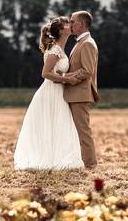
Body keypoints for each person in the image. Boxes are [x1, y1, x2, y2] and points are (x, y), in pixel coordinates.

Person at [13, 17, 85, 170]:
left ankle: (57, 158)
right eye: (67, 24)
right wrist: (66, 79)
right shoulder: (55, 51)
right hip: (50, 92)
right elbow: (45, 74)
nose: (71, 25)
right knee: (53, 123)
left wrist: (69, 77)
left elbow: (57, 73)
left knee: (59, 124)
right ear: (60, 31)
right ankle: (48, 159)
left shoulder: (61, 49)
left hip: (58, 91)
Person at [61, 10, 99, 169]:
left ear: (82, 24)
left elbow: (87, 70)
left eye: (72, 21)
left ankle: (90, 165)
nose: (70, 24)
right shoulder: (80, 43)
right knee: (76, 132)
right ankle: (80, 162)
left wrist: (66, 78)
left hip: (79, 94)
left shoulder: (88, 44)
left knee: (83, 132)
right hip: (74, 94)